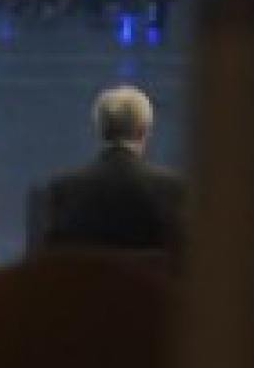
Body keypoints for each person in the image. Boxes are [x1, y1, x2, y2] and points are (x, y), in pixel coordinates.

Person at [40, 86, 187, 257]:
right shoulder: (172, 190)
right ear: (144, 130)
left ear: (99, 130)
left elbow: (46, 263)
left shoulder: (62, 190)